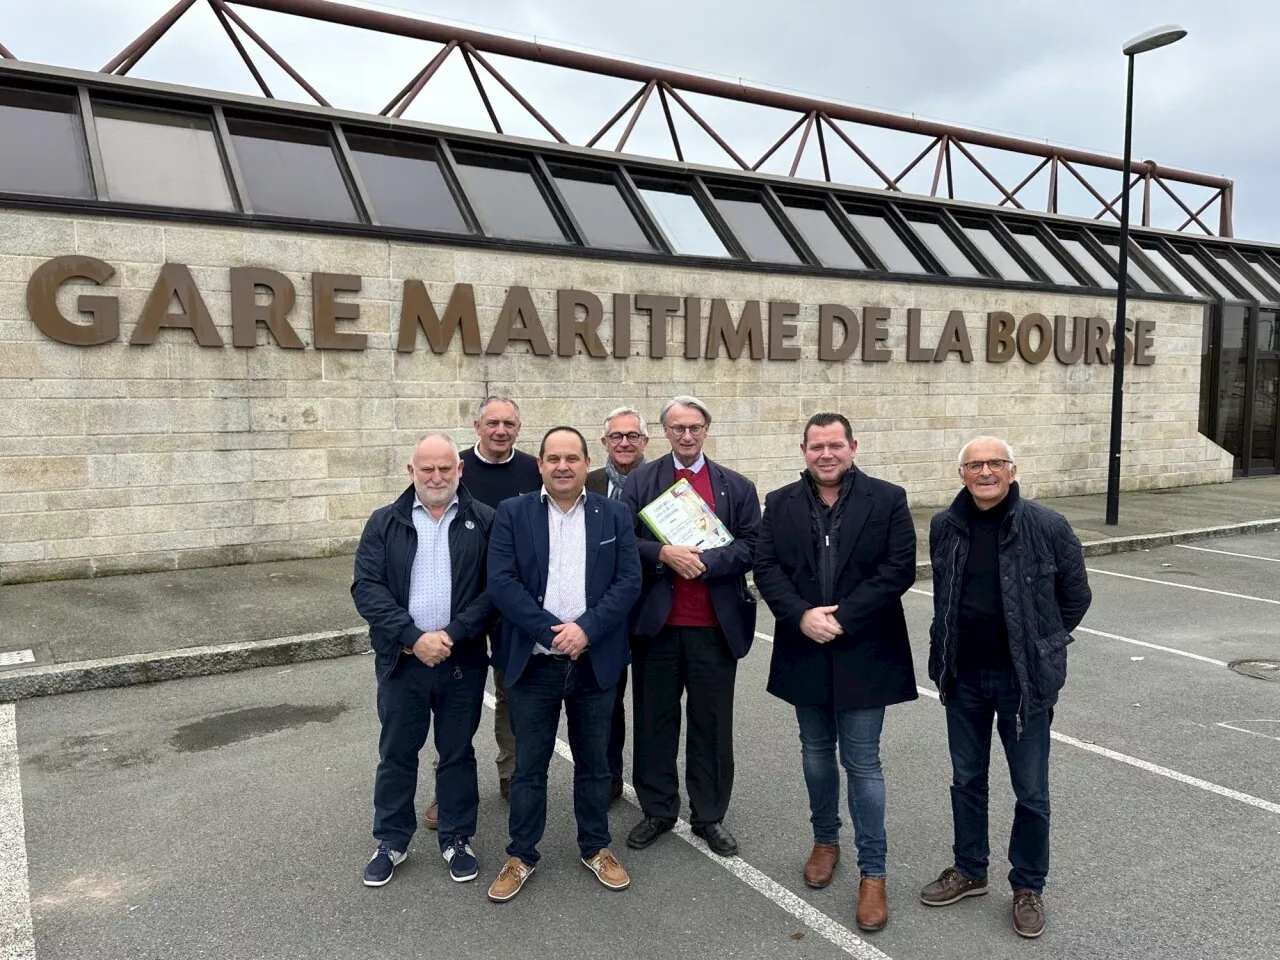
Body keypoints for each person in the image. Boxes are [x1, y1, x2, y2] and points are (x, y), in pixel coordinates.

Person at [919, 436, 1091, 939]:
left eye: (995, 463)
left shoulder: (1047, 525)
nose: (986, 471)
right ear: (962, 475)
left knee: (1031, 792)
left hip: (1024, 682)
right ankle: (970, 870)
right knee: (966, 780)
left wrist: (1041, 646)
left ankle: (1027, 886)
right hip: (963, 677)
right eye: (975, 464)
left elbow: (1075, 596)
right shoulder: (944, 526)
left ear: (1012, 470)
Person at [753, 413, 917, 932]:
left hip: (865, 646)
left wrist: (841, 618)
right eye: (817, 446)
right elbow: (767, 567)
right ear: (803, 449)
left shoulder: (887, 498)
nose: (827, 454)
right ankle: (825, 841)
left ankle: (874, 872)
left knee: (863, 763)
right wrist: (801, 614)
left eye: (836, 445)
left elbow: (898, 568)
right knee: (816, 753)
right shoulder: (779, 502)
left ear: (853, 447)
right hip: (804, 644)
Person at [484, 426, 643, 902]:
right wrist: (553, 631)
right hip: (535, 662)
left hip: (594, 662)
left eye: (572, 458)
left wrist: (586, 629)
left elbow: (628, 581)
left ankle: (596, 846)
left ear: (586, 462)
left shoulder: (613, 514)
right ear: (540, 465)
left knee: (594, 764)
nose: (562, 466)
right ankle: (522, 854)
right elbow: (502, 582)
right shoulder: (513, 513)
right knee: (529, 766)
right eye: (553, 458)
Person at [351, 434, 495, 887]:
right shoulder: (384, 522)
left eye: (445, 469)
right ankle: (391, 840)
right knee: (397, 753)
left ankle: (456, 837)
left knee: (456, 753)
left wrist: (451, 635)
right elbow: (366, 589)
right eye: (426, 469)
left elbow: (496, 590)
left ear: (460, 470)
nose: (436, 477)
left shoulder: (485, 521)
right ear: (410, 471)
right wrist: (413, 637)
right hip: (402, 662)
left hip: (461, 661)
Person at [621, 395, 760, 857]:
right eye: (677, 427)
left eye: (694, 427)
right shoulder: (640, 482)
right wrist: (663, 553)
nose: (686, 435)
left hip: (714, 626)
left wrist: (707, 560)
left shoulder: (735, 486)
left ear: (705, 430)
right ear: (664, 432)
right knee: (654, 722)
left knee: (712, 725)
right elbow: (624, 545)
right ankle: (658, 809)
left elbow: (753, 546)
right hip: (657, 626)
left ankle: (709, 815)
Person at [423, 396, 541, 831]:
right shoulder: (454, 468)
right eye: (492, 423)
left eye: (509, 423)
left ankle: (511, 774)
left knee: (512, 692)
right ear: (476, 426)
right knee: (457, 698)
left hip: (513, 604)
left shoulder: (533, 469)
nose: (500, 431)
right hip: (464, 608)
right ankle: (446, 790)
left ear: (518, 427)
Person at [584, 406, 650, 802]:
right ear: (605, 442)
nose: (624, 443)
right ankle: (607, 779)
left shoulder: (665, 480)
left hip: (652, 610)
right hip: (602, 613)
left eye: (633, 436)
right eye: (616, 437)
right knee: (605, 703)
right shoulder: (584, 481)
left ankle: (651, 788)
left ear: (645, 441)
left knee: (651, 705)